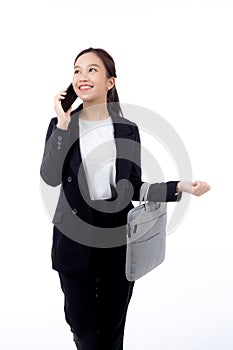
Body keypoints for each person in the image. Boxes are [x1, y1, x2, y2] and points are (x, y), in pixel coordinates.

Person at [40, 47, 211, 350]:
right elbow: (50, 177)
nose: (82, 76)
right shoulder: (62, 127)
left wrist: (180, 187)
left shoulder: (126, 129)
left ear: (110, 81)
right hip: (73, 240)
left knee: (111, 331)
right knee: (83, 329)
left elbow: (133, 186)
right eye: (77, 70)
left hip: (117, 239)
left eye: (92, 70)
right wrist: (63, 124)